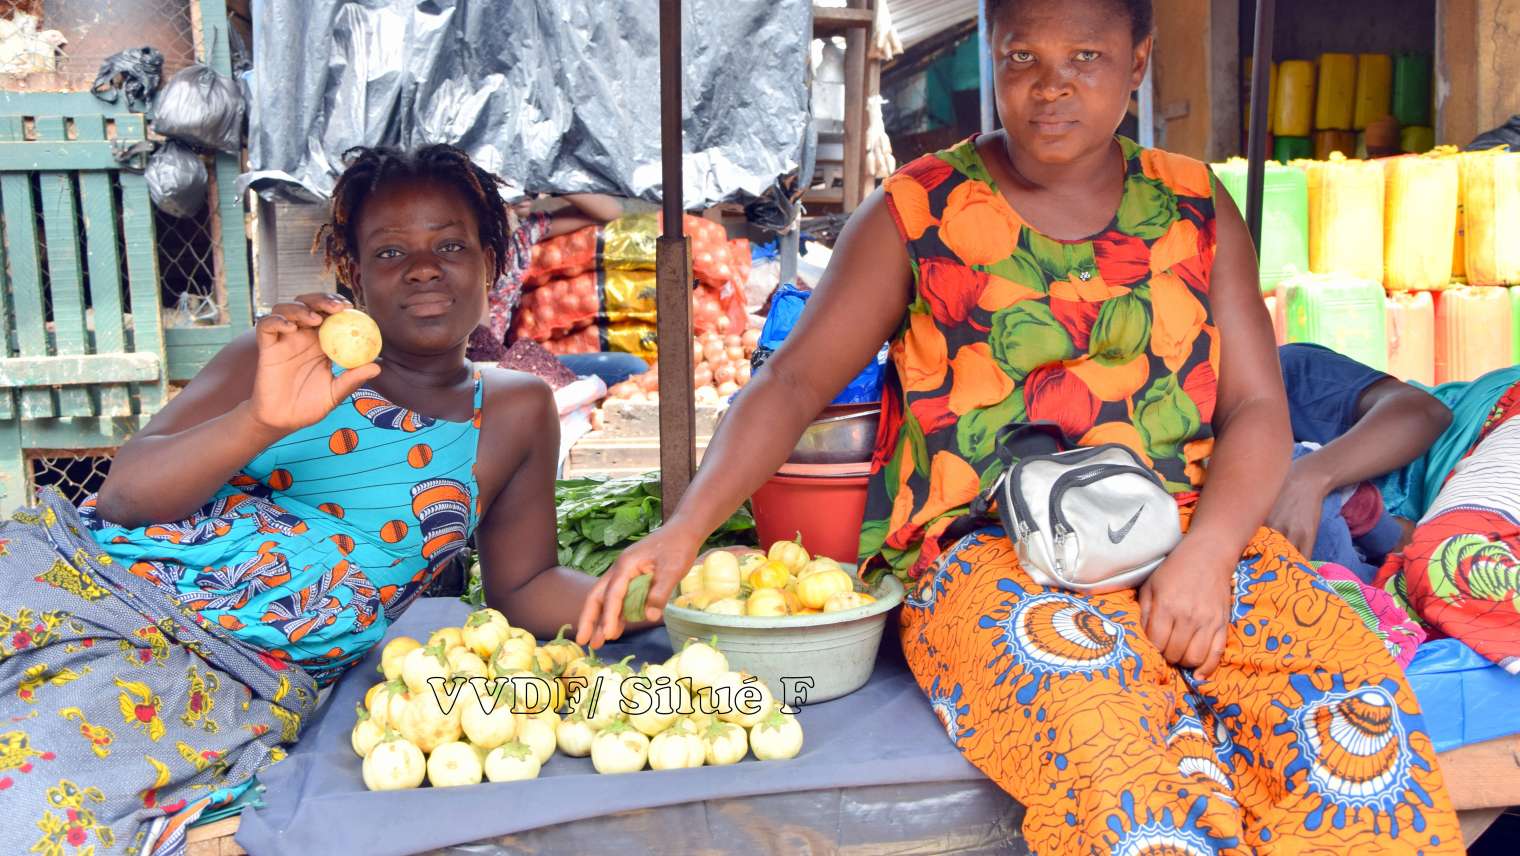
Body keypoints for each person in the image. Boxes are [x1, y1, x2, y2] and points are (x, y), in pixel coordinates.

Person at [578, 0, 1461, 851]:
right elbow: (793, 380)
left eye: (1086, 58)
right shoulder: (916, 212)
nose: (1051, 87)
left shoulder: (1195, 207)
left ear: (1139, 62)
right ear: (992, 55)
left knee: (1348, 712)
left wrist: (1210, 552)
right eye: (1021, 58)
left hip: (1190, 532)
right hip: (992, 558)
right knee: (1117, 758)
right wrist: (683, 530)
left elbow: (1260, 409)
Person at [0, 144, 634, 855]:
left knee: (28, 816)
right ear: (355, 275)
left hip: (226, 675)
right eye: (391, 252)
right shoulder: (279, 359)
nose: (424, 267)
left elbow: (524, 585)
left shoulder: (516, 409)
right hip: (94, 594)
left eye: (451, 244)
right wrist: (262, 421)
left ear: (493, 258)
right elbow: (121, 498)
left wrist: (643, 594)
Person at [1272, 342, 1520, 673]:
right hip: (1437, 542)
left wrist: (1308, 477)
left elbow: (1424, 413)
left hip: (1488, 426)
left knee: (1451, 566)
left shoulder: (1276, 372)